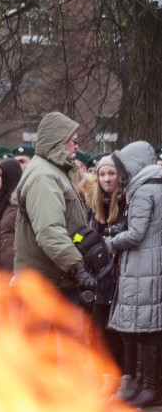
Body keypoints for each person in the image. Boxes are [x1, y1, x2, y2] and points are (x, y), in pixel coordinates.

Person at [103, 141, 162, 408]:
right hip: (150, 265)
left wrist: (110, 241)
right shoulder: (156, 186)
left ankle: (148, 386)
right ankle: (143, 384)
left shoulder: (143, 190)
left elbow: (136, 234)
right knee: (145, 326)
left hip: (143, 267)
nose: (120, 174)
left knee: (144, 327)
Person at [13, 112, 92, 299]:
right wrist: (77, 266)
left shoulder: (52, 170)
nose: (77, 145)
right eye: (73, 141)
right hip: (46, 284)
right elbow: (49, 229)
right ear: (59, 141)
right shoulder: (44, 176)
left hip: (52, 277)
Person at [85, 154, 126, 379]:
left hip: (121, 276)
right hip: (99, 277)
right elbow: (86, 234)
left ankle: (122, 375)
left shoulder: (127, 201)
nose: (107, 179)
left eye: (111, 173)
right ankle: (106, 375)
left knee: (119, 332)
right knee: (99, 329)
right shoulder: (93, 204)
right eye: (102, 174)